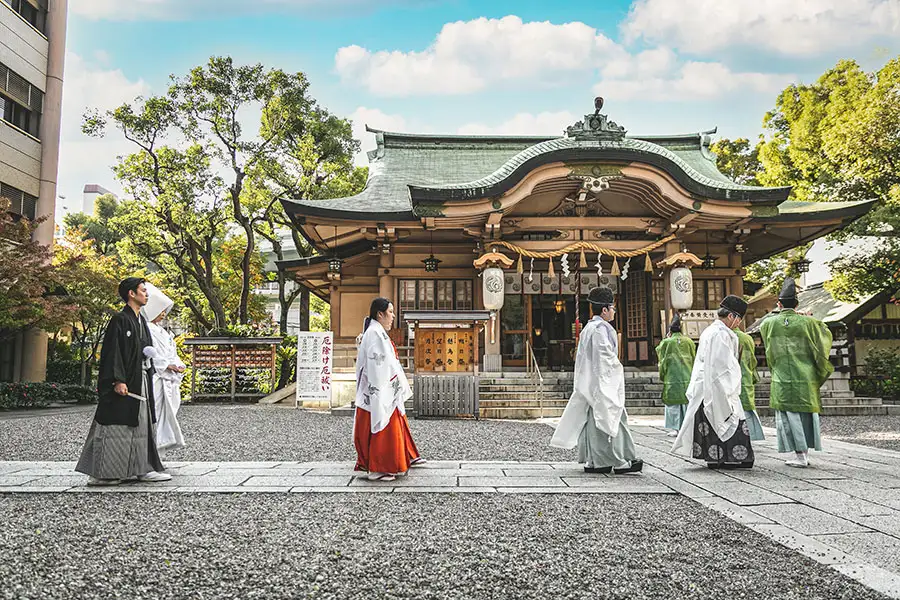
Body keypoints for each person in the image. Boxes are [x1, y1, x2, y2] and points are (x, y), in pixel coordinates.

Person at [75, 277, 171, 485]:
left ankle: (143, 468)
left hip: (140, 379)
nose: (146, 294)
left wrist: (148, 356)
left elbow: (144, 349)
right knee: (115, 426)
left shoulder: (141, 321)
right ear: (131, 294)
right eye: (143, 290)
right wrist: (117, 380)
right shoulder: (120, 319)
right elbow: (113, 353)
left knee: (143, 424)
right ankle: (104, 473)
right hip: (125, 382)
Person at [550, 286, 643, 474]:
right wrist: (615, 372)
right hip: (601, 383)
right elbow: (604, 359)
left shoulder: (588, 329)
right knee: (609, 418)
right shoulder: (600, 329)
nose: (614, 311)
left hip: (589, 383)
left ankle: (594, 460)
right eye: (612, 308)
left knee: (594, 420)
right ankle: (615, 460)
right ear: (605, 309)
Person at [672, 295, 754, 469]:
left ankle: (716, 457)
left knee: (712, 421)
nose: (739, 323)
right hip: (716, 383)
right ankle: (731, 457)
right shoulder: (720, 334)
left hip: (706, 383)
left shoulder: (712, 331)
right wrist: (729, 384)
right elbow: (722, 365)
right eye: (739, 318)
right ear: (731, 316)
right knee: (727, 418)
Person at [759, 278, 833, 468]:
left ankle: (798, 454)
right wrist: (806, 316)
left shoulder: (768, 324)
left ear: (778, 304)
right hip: (805, 375)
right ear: (798, 304)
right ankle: (805, 453)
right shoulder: (808, 323)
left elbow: (763, 332)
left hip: (782, 376)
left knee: (788, 415)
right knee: (806, 414)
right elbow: (824, 332)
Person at [353, 297, 425, 481]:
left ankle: (385, 465)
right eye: (390, 312)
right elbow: (378, 364)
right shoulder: (375, 334)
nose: (393, 316)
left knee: (388, 426)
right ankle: (380, 467)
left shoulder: (376, 332)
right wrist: (390, 383)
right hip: (380, 387)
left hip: (384, 386)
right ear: (380, 314)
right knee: (384, 427)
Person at [142, 282, 186, 452]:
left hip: (170, 378)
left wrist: (178, 363)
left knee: (167, 414)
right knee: (156, 414)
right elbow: (154, 356)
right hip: (158, 377)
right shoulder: (148, 330)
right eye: (159, 310)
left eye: (164, 310)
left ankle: (159, 452)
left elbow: (172, 352)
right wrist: (168, 365)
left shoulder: (163, 332)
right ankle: (153, 453)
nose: (163, 314)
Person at [655, 313, 695, 437]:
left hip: (672, 377)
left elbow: (660, 354)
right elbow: (694, 358)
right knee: (686, 404)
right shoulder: (689, 341)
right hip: (687, 376)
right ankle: (687, 427)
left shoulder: (667, 342)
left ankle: (675, 428)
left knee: (673, 405)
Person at [735, 328, 765, 442]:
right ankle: (750, 434)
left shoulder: (721, 335)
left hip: (727, 380)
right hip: (745, 377)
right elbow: (752, 361)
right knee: (746, 408)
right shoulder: (747, 338)